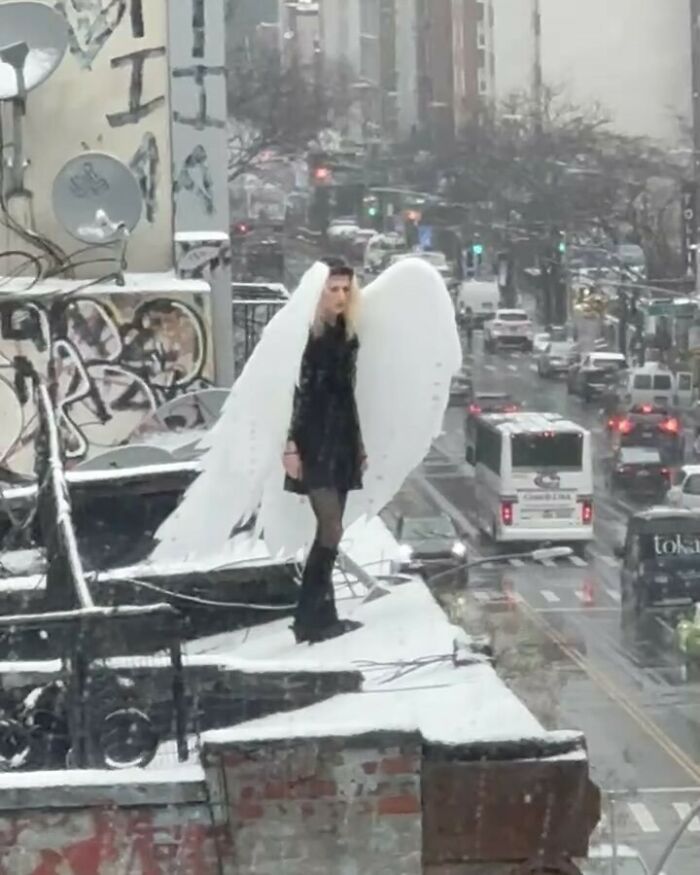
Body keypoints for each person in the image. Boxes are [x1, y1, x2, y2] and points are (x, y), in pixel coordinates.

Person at [283, 258, 367, 644]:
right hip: (314, 439)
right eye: (332, 289)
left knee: (330, 530)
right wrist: (291, 444)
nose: (340, 296)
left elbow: (347, 396)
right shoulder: (308, 337)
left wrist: (359, 443)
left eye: (345, 289)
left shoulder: (345, 334)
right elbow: (298, 395)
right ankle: (309, 618)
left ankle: (320, 617)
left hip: (342, 437)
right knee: (330, 529)